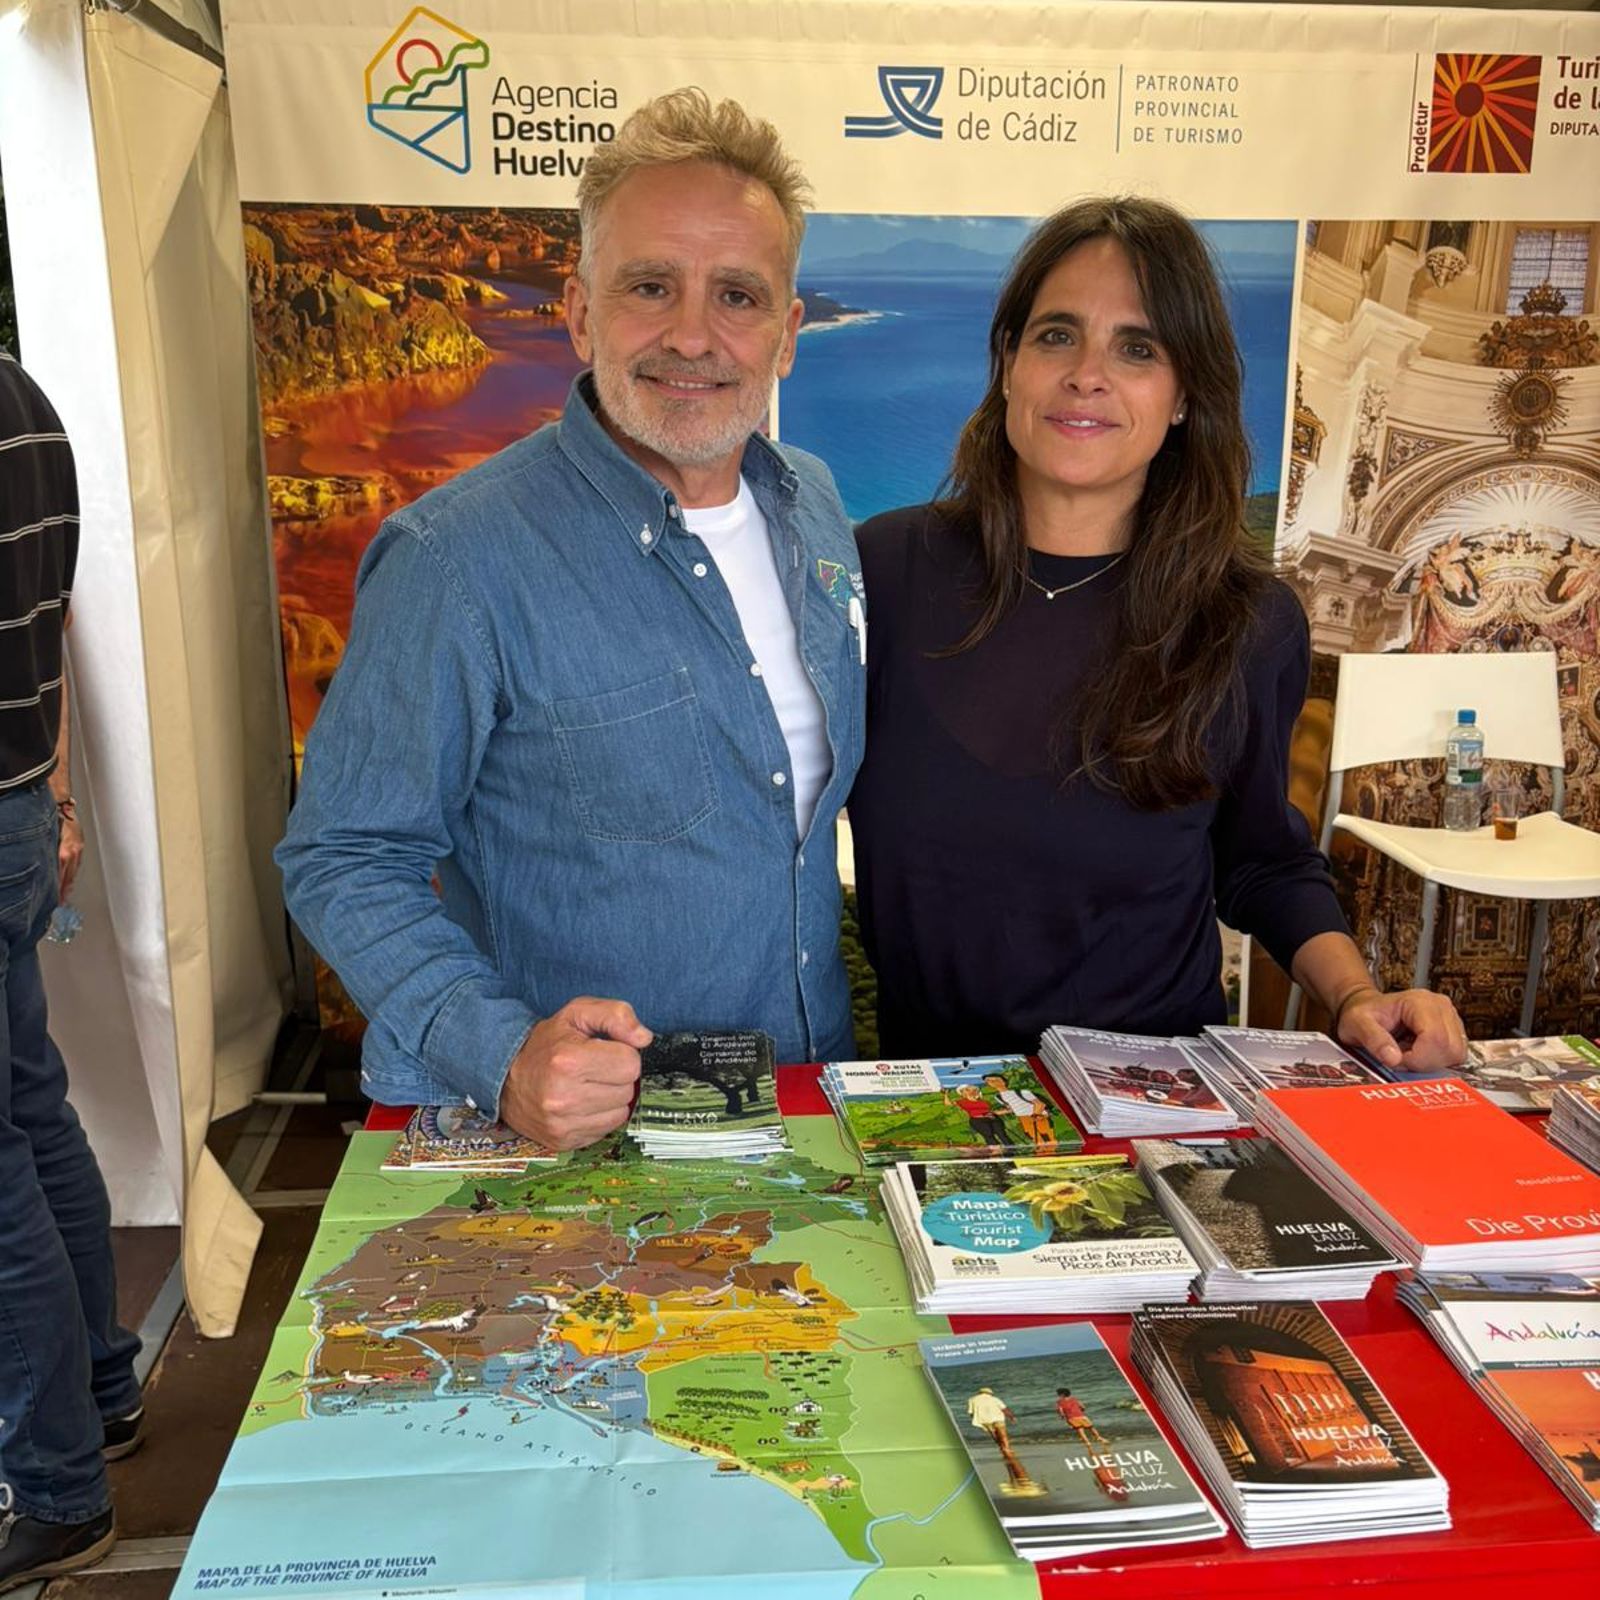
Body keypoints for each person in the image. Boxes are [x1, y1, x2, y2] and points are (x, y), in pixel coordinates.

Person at [276, 90, 864, 1148]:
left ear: (786, 332)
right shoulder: (453, 560)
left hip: (799, 1105)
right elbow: (344, 854)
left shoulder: (811, 504)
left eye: (738, 295)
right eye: (650, 286)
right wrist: (497, 1050)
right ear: (581, 311)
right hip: (571, 1148)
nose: (694, 334)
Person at [847, 197, 1465, 1069]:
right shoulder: (883, 572)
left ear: (1182, 398)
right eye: (1056, 335)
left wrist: (1357, 996)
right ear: (1010, 365)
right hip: (925, 1093)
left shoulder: (1247, 621)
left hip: (1158, 1096)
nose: (1087, 374)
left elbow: (1261, 862)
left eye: (1138, 348)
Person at [0, 353, 142, 1588]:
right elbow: (49, 621)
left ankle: (55, 1484)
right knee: (31, 1105)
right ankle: (102, 1390)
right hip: (13, 811)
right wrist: (46, 790)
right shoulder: (24, 400)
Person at [983, 1071, 1056, 1151]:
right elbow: (1012, 1109)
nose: (992, 1082)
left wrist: (1036, 1115)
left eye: (995, 1079)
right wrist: (995, 1113)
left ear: (1003, 1081)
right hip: (1023, 1119)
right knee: (1036, 1140)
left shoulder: (1022, 1092)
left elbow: (1040, 1104)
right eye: (988, 1081)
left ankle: (1054, 1156)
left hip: (1039, 1116)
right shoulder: (999, 1097)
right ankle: (1043, 1156)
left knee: (1048, 1138)